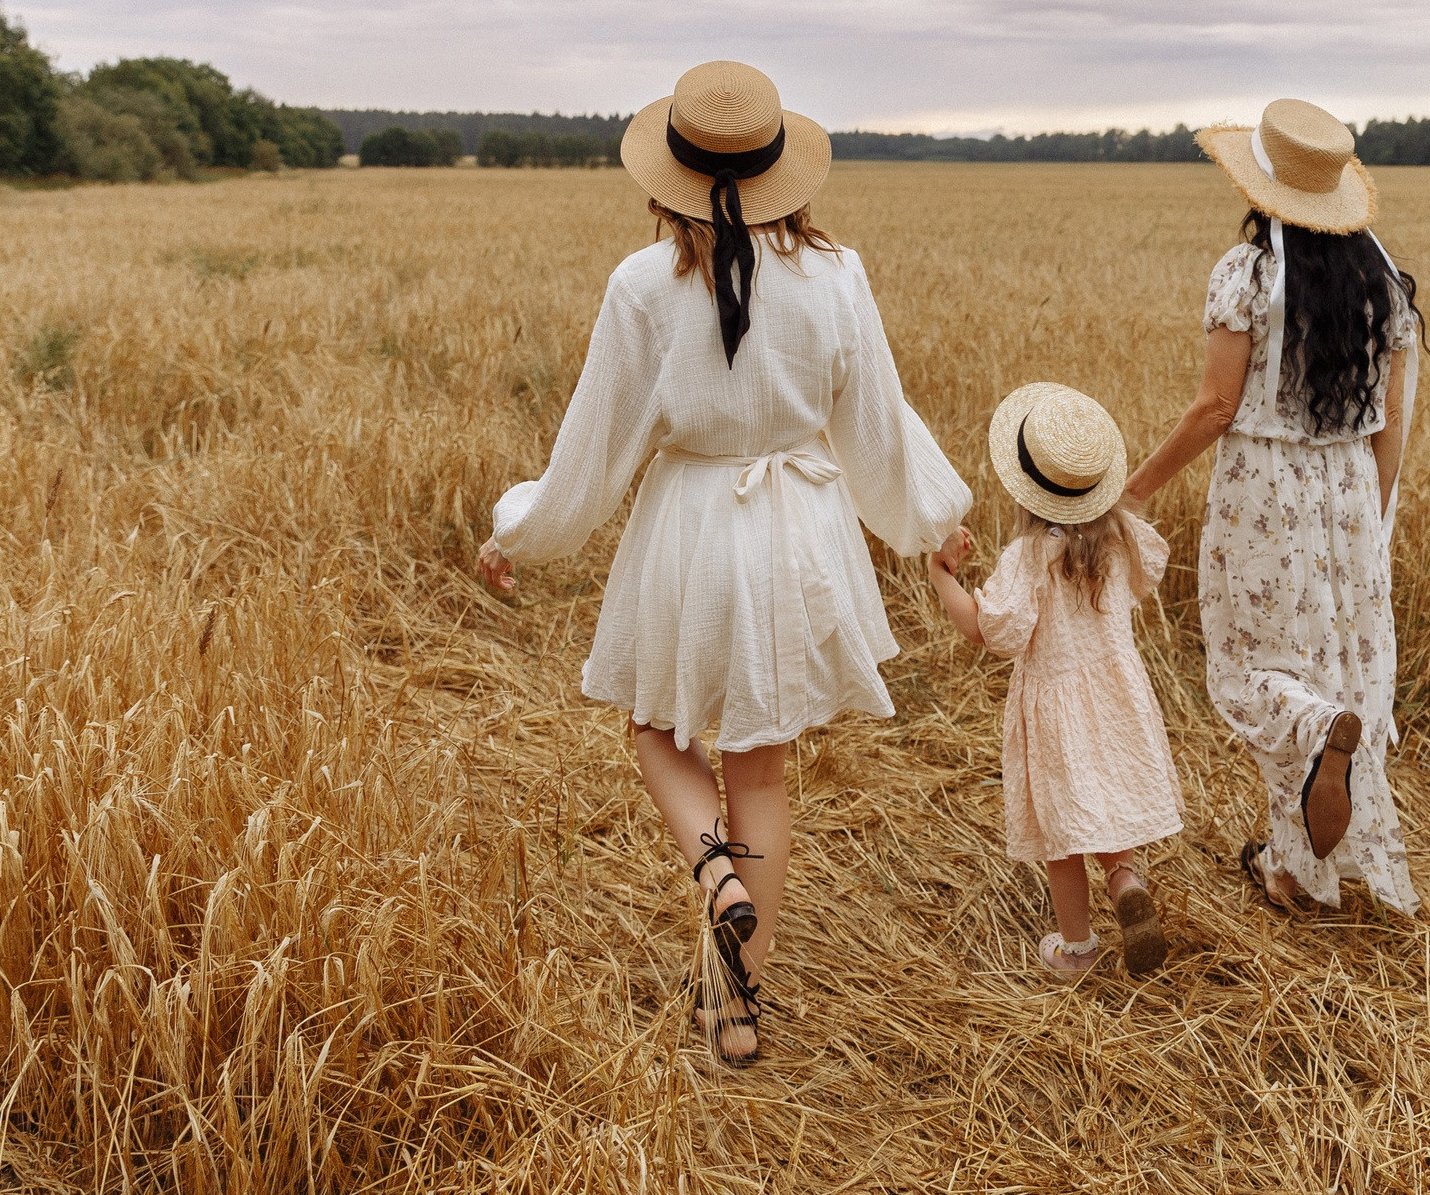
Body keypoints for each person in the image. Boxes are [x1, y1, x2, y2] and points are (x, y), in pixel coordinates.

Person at [476, 60, 969, 1065]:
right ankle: (734, 1008)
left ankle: (714, 872)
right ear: (783, 170)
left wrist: (517, 528)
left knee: (656, 727)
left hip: (691, 527)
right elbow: (878, 425)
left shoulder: (643, 286)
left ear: (670, 177)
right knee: (763, 774)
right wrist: (933, 522)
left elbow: (593, 449)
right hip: (799, 531)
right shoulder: (838, 275)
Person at [1124, 98, 1423, 915]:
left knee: (1254, 666)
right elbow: (1392, 422)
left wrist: (1133, 490)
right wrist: (1371, 517)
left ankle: (1317, 728)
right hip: (1350, 491)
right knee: (1335, 656)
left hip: (1264, 493)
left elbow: (1215, 407)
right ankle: (1295, 869)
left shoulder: (1249, 276)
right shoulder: (1381, 283)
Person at [926, 383, 1183, 978]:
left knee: (1060, 834)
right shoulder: (1122, 536)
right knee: (1106, 799)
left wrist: (941, 574)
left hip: (1056, 710)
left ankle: (1078, 950)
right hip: (1116, 695)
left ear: (1026, 485)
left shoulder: (1028, 557)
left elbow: (988, 632)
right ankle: (1124, 882)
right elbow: (1146, 577)